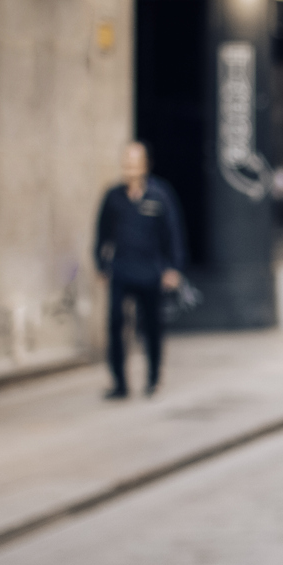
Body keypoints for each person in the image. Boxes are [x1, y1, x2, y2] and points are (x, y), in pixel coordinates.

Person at [92, 141, 185, 399]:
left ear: (145, 165)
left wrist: (172, 269)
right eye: (126, 163)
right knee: (115, 324)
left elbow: (173, 234)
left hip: (150, 272)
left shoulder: (159, 195)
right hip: (121, 270)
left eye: (134, 163)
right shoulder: (113, 197)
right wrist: (101, 265)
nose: (129, 168)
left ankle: (153, 378)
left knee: (153, 327)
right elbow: (101, 234)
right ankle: (119, 383)